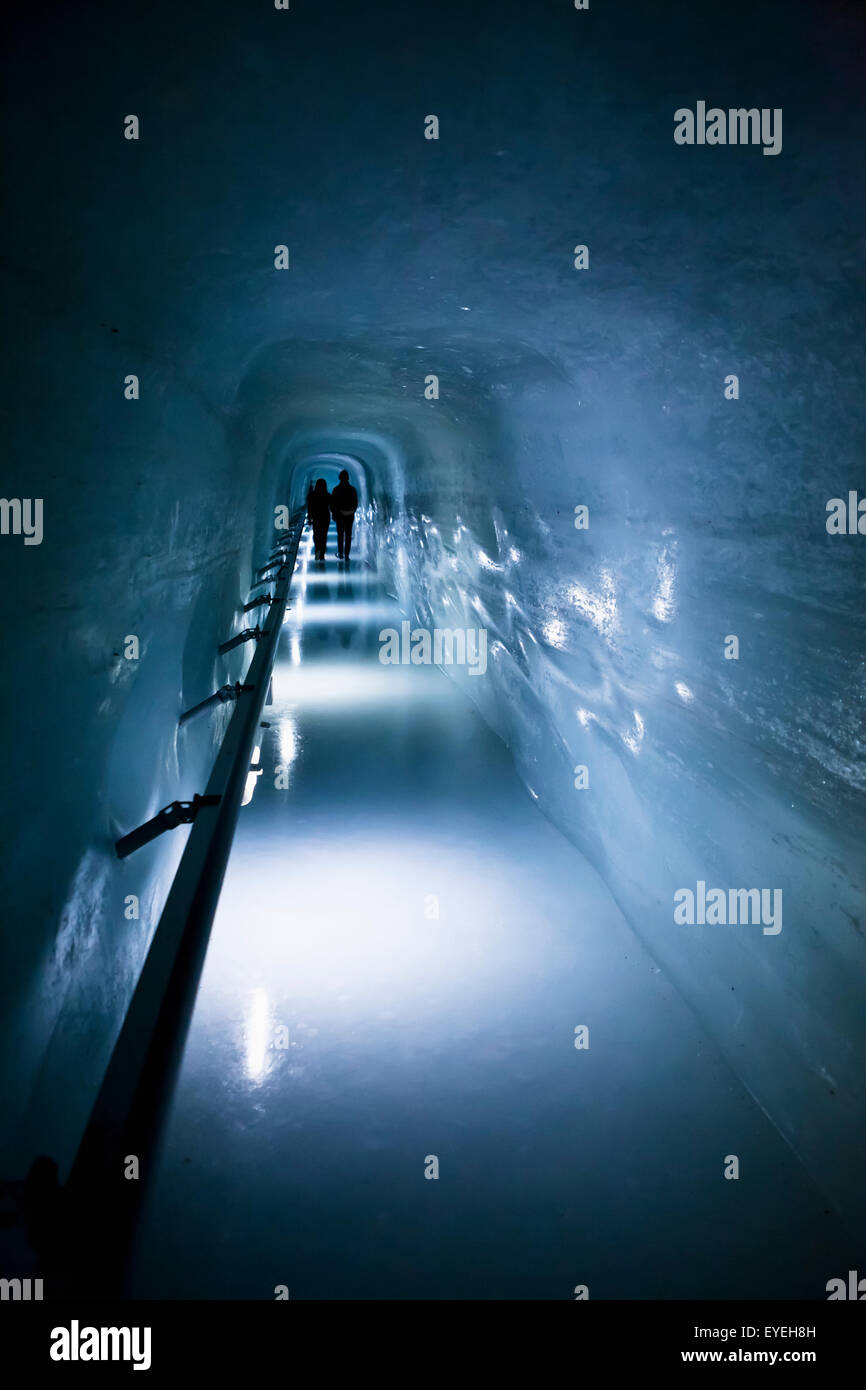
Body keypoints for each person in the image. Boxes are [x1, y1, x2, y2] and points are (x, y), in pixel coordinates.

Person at [330, 469, 359, 561]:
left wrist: (334, 513)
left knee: (340, 534)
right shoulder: (352, 490)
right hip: (349, 515)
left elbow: (333, 503)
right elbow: (355, 502)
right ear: (348, 478)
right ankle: (347, 554)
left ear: (340, 478)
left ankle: (341, 553)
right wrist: (352, 511)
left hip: (340, 515)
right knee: (348, 535)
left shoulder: (336, 489)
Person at [308, 478, 331, 562]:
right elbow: (331, 506)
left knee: (316, 535)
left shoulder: (312, 495)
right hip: (325, 517)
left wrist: (309, 518)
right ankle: (322, 553)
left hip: (316, 517)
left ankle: (317, 550)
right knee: (324, 535)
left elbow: (309, 508)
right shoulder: (327, 495)